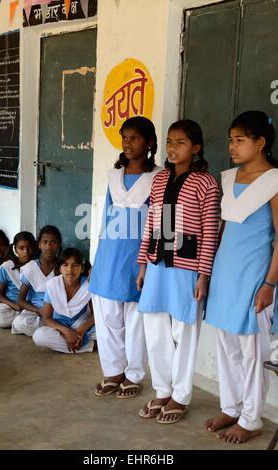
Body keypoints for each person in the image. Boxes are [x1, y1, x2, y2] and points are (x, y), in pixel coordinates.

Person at [137, 119, 219, 423]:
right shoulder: (160, 180)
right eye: (169, 142)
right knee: (155, 328)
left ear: (196, 148)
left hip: (187, 267)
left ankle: (180, 396)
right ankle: (162, 389)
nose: (173, 148)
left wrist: (204, 275)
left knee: (183, 332)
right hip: (158, 263)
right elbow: (152, 224)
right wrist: (143, 264)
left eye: (180, 142)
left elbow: (210, 232)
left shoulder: (206, 182)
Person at [204, 111, 278, 444]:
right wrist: (208, 275)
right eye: (230, 140)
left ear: (260, 143)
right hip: (225, 274)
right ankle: (231, 406)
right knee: (227, 345)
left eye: (240, 140)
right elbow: (222, 230)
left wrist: (269, 284)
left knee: (251, 350)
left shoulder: (274, 181)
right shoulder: (229, 177)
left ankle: (251, 418)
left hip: (254, 276)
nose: (232, 146)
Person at [89, 116, 162, 398]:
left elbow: (160, 221)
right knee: (107, 316)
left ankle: (133, 374)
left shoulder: (157, 178)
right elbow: (106, 216)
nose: (128, 143)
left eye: (135, 138)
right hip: (110, 252)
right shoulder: (113, 175)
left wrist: (150, 259)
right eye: (125, 138)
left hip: (138, 254)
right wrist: (99, 255)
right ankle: (113, 371)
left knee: (135, 319)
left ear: (149, 143)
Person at [33, 248, 95, 353]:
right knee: (39, 336)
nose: (70, 270)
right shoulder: (52, 285)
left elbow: (96, 315)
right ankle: (89, 345)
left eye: (75, 265)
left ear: (82, 268)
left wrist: (81, 329)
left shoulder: (88, 285)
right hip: (60, 325)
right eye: (65, 265)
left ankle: (75, 343)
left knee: (106, 331)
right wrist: (66, 332)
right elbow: (46, 318)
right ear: (60, 269)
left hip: (82, 324)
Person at [11, 225, 62, 337]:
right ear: (39, 245)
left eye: (53, 242)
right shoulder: (30, 268)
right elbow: (20, 300)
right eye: (45, 242)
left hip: (57, 311)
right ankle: (56, 330)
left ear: (59, 245)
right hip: (36, 312)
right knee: (20, 322)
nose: (49, 246)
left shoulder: (63, 267)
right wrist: (39, 311)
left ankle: (54, 329)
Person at [0, 232, 36, 328]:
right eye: (21, 248)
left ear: (34, 247)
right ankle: (20, 320)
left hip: (30, 305)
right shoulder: (7, 267)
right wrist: (15, 306)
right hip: (12, 306)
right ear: (15, 249)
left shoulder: (37, 265)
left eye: (29, 247)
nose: (26, 252)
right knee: (0, 321)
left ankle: (20, 320)